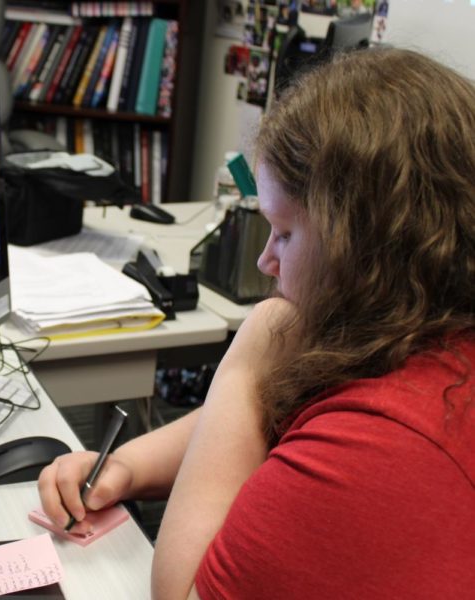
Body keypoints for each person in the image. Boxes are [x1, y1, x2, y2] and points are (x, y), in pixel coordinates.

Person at [38, 47, 474, 599]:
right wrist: (127, 464)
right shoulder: (425, 338)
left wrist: (253, 351)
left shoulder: (388, 447)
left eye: (285, 233)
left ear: (366, 245)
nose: (266, 260)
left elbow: (182, 589)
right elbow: (270, 421)